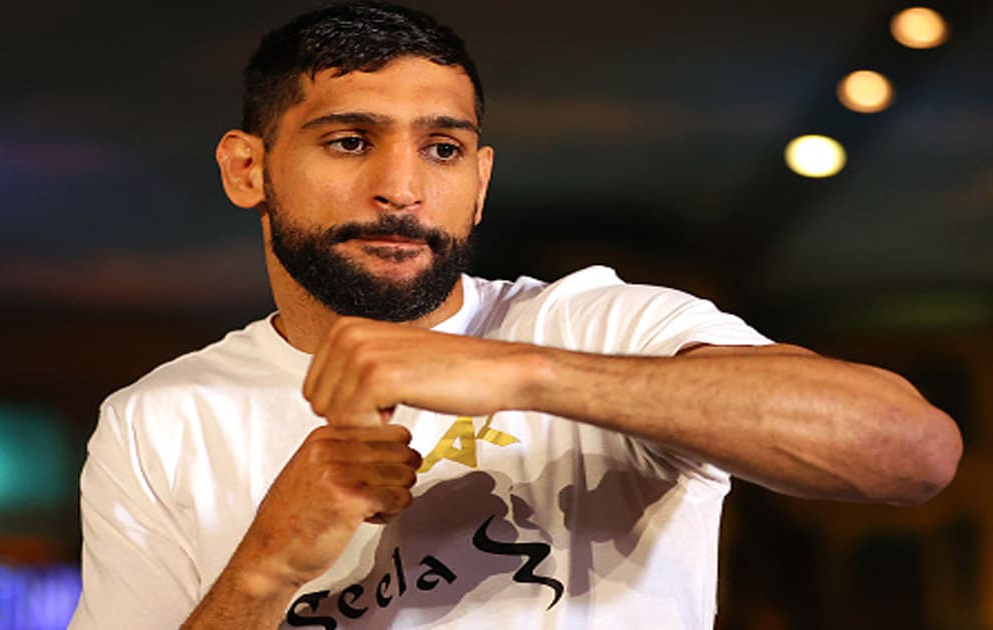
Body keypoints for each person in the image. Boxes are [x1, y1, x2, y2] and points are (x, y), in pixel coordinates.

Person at [68, 2, 963, 628]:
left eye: (443, 149)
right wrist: (266, 570)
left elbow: (912, 453)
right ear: (247, 170)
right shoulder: (158, 420)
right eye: (349, 141)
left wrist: (523, 372)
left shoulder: (601, 329)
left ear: (481, 183)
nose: (403, 188)